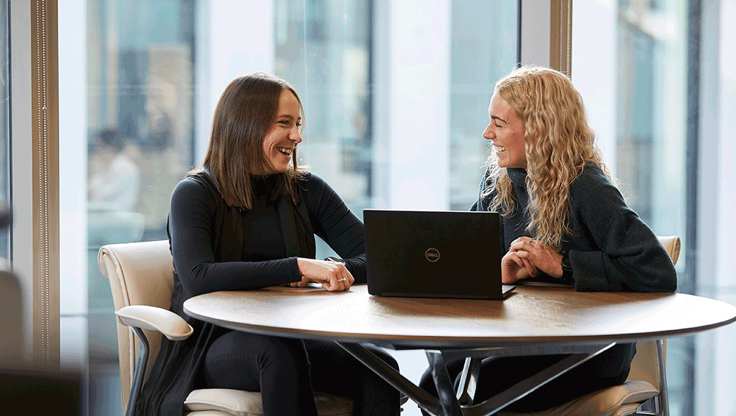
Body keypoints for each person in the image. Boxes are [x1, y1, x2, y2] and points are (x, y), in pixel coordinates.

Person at [135, 73, 401, 416]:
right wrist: (297, 267)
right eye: (284, 123)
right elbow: (199, 276)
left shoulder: (306, 189)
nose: (297, 136)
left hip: (294, 335)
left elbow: (380, 258)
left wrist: (336, 271)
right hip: (213, 343)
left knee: (380, 367)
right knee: (276, 353)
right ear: (246, 125)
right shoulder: (195, 194)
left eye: (299, 123)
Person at [419, 65, 677, 413]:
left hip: (591, 349)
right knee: (431, 385)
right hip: (520, 339)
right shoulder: (500, 183)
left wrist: (563, 265)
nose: (486, 133)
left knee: (476, 392)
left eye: (498, 123)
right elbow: (464, 259)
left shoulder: (587, 186)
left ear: (538, 128)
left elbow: (657, 270)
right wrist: (497, 272)